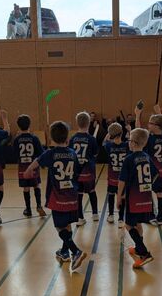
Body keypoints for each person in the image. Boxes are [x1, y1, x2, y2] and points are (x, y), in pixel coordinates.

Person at [24, 121, 87, 272]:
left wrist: (28, 171)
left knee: (59, 227)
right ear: (67, 138)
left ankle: (75, 251)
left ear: (52, 139)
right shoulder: (73, 153)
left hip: (57, 197)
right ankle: (64, 252)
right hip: (72, 196)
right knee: (67, 225)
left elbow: (36, 162)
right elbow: (78, 171)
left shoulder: (50, 153)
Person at [117, 128, 158, 269]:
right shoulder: (146, 157)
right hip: (146, 198)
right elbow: (155, 173)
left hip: (133, 199)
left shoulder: (129, 159)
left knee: (129, 225)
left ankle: (144, 253)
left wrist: (119, 197)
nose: (128, 142)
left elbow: (122, 180)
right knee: (138, 223)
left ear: (133, 143)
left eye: (129, 140)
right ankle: (138, 248)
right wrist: (147, 185)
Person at [135, 103, 162, 226]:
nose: (148, 125)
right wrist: (159, 113)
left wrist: (137, 115)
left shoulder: (150, 138)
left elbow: (138, 131)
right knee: (160, 194)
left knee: (147, 192)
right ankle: (160, 217)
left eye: (150, 123)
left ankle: (151, 216)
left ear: (156, 126)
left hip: (151, 171)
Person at [12, 113, 46, 218]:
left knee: (26, 188)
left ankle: (28, 209)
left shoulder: (17, 139)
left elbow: (14, 153)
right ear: (29, 125)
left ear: (18, 126)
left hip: (22, 168)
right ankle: (39, 205)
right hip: (33, 167)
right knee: (36, 185)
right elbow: (41, 153)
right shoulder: (34, 138)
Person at [69, 111, 99, 225]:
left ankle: (80, 217)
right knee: (92, 192)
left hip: (76, 172)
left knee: (79, 194)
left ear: (77, 123)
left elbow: (70, 154)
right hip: (89, 171)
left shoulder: (73, 139)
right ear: (89, 123)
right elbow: (95, 153)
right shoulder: (91, 139)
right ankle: (95, 214)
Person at [103, 122, 129, 227]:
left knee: (111, 195)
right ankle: (121, 219)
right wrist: (129, 130)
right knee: (122, 197)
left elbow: (104, 141)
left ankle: (110, 215)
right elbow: (133, 141)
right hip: (123, 179)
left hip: (112, 178)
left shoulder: (108, 146)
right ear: (122, 133)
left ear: (111, 134)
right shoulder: (126, 145)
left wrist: (109, 133)